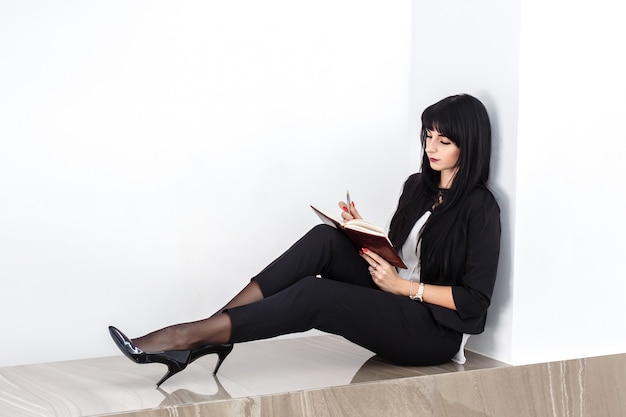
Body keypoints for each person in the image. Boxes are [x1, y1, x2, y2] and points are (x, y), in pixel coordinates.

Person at [109, 93, 501, 387]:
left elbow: (474, 300)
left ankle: (187, 336)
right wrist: (362, 234)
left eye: (443, 141)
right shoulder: (417, 187)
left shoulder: (480, 207)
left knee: (317, 295)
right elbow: (404, 256)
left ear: (469, 144)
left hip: (431, 332)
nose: (430, 148)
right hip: (397, 298)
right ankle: (212, 331)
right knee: (324, 240)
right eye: (427, 136)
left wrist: (404, 287)